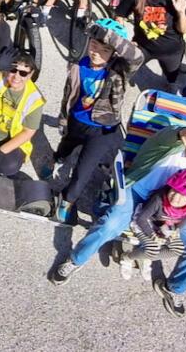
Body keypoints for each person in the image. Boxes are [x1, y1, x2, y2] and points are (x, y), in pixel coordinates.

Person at [49, 119, 186, 316]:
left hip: (169, 211)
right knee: (111, 224)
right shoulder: (172, 144)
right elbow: (167, 136)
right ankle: (75, 260)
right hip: (138, 193)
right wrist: (182, 132)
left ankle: (174, 288)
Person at [51, 19, 145, 224]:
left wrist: (107, 35)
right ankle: (57, 158)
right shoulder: (78, 65)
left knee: (83, 171)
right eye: (94, 44)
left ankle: (67, 200)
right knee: (65, 146)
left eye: (104, 49)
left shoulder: (119, 70)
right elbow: (68, 96)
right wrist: (63, 119)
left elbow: (137, 56)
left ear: (114, 53)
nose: (96, 52)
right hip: (77, 120)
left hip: (103, 130)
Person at [114, 0, 186, 85]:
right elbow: (120, 15)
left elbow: (184, 30)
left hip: (171, 50)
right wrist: (124, 37)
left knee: (171, 79)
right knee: (120, 70)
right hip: (143, 46)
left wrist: (182, 12)